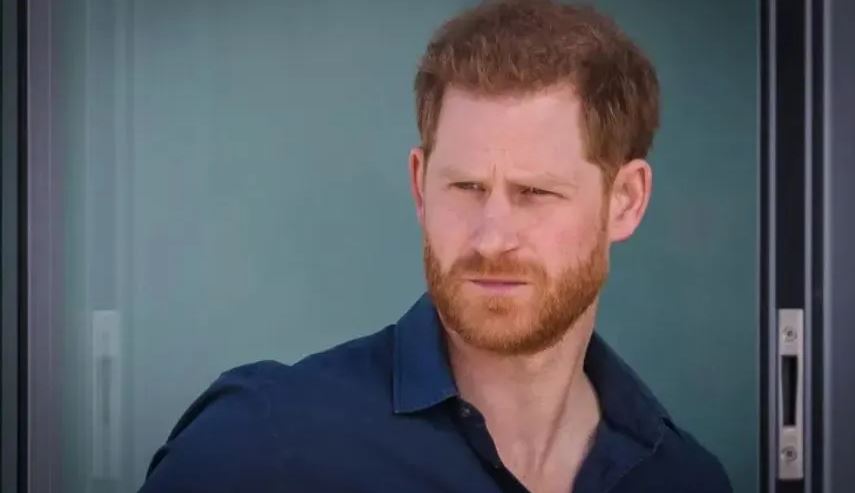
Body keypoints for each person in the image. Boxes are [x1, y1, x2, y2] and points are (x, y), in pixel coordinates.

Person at [140, 1, 732, 491]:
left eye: (535, 192)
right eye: (466, 187)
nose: (492, 237)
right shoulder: (257, 445)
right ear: (420, 185)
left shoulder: (685, 479)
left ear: (625, 200)